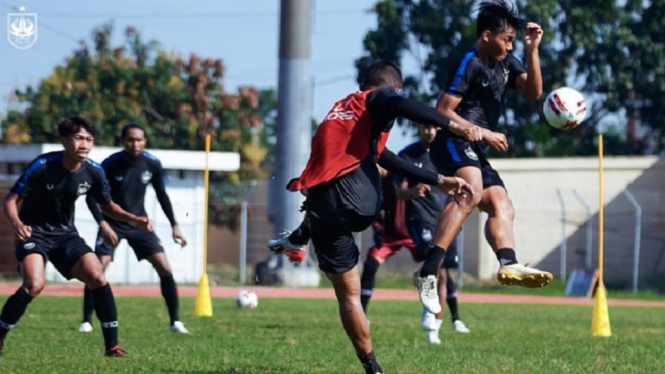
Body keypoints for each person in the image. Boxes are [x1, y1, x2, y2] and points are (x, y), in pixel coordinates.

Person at [268, 60, 480, 374]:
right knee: (351, 287)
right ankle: (301, 234)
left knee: (348, 297)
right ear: (392, 88)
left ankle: (373, 369)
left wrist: (437, 180)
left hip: (321, 203)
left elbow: (385, 156)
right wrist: (455, 125)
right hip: (360, 201)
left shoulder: (343, 110)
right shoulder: (378, 98)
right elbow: (401, 104)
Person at [416, 0, 553, 314]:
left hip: (475, 150)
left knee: (502, 204)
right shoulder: (470, 61)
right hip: (451, 140)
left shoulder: (508, 61)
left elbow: (534, 93)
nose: (510, 46)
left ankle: (509, 264)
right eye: (507, 40)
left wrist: (533, 50)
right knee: (471, 191)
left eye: (514, 42)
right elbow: (442, 110)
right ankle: (428, 272)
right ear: (487, 35)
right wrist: (482, 132)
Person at [0, 116, 151, 357]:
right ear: (64, 140)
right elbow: (10, 201)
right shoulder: (42, 165)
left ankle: (112, 347)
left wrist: (133, 218)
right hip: (34, 234)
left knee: (97, 276)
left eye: (89, 140)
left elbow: (108, 206)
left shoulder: (94, 171)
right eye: (79, 138)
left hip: (66, 236)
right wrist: (17, 223)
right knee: (34, 285)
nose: (85, 145)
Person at [81, 123, 189, 334]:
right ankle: (86, 321)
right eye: (130, 140)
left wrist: (174, 225)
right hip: (112, 223)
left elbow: (162, 195)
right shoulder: (110, 165)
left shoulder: (152, 164)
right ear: (123, 141)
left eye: (139, 140)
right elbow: (92, 198)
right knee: (97, 269)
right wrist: (103, 224)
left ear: (145, 141)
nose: (135, 144)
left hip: (140, 223)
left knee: (164, 268)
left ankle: (175, 322)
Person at [396, 123, 471, 344]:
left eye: (434, 128)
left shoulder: (449, 154)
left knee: (445, 274)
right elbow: (400, 193)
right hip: (421, 218)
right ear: (419, 128)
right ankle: (429, 314)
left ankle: (434, 329)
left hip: (447, 219)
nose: (429, 132)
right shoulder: (407, 155)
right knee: (435, 268)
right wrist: (412, 191)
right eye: (425, 127)